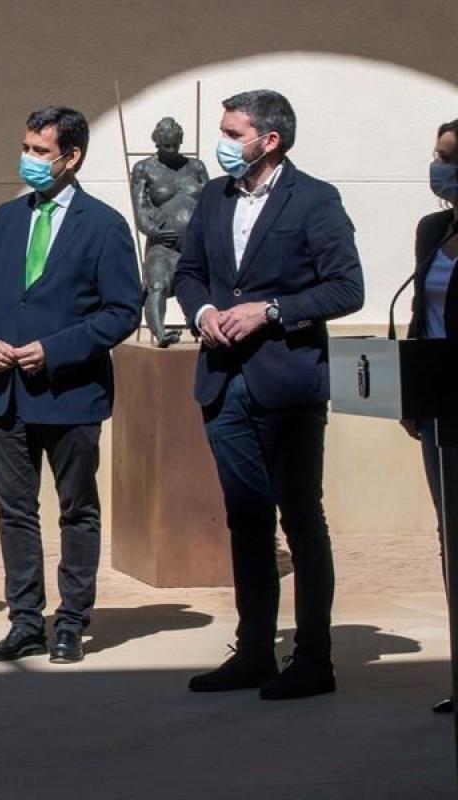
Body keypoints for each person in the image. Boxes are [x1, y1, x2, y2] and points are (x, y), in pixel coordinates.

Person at [173, 90, 364, 700]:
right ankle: (254, 650)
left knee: (301, 519)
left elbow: (347, 288)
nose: (223, 143)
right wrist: (202, 311)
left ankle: (313, 660)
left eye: (233, 133)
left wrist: (271, 311)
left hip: (288, 385)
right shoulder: (214, 196)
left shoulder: (315, 199)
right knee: (246, 519)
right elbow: (188, 272)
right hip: (223, 383)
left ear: (269, 140)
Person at [0, 105, 142, 664]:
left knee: (76, 510)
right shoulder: (5, 218)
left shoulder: (104, 225)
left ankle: (71, 621)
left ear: (72, 156)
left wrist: (55, 350)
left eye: (40, 151)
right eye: (26, 148)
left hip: (70, 395)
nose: (29, 160)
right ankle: (24, 620)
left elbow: (122, 311)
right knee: (14, 512)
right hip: (3, 395)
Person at [402, 118, 458, 714]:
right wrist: (411, 395)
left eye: (450, 159)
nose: (439, 168)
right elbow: (422, 313)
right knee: (452, 533)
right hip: (439, 410)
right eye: (438, 156)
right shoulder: (433, 229)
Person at [130, 117, 210, 347]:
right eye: (167, 146)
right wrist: (153, 231)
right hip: (163, 244)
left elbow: (211, 202)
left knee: (205, 287)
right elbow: (141, 208)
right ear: (157, 142)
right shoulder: (144, 168)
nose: (172, 150)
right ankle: (160, 332)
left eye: (175, 145)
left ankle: (203, 328)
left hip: (195, 244)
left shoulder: (196, 167)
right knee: (157, 284)